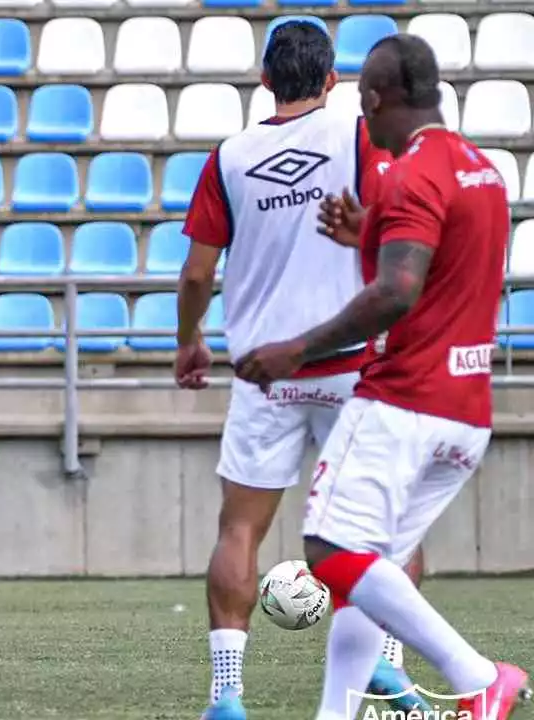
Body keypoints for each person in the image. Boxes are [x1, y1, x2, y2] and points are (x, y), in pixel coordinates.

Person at [236, 34, 530, 720]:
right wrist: (367, 230)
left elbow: (398, 292)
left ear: (373, 99)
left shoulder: (407, 173)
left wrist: (296, 349)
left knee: (330, 551)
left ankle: (477, 673)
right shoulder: (481, 170)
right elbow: (438, 264)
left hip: (405, 398)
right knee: (371, 576)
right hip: (467, 411)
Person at [175, 21, 427, 720]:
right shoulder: (356, 136)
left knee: (240, 530)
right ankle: (387, 664)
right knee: (384, 526)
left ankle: (227, 696)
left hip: (264, 372)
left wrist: (189, 340)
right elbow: (394, 219)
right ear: (331, 81)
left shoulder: (228, 156)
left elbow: (198, 272)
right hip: (351, 362)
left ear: (263, 81)